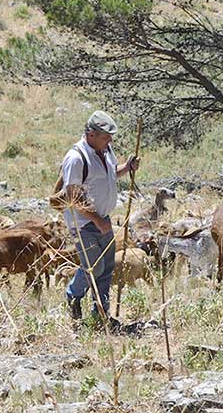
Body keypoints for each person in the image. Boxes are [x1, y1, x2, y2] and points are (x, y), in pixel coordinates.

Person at [62, 111, 139, 327]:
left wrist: (127, 167)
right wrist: (96, 219)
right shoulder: (76, 158)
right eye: (106, 136)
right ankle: (73, 295)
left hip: (102, 219)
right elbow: (73, 197)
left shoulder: (104, 150)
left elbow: (111, 173)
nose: (110, 141)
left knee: (105, 267)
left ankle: (100, 316)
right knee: (93, 267)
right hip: (84, 223)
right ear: (91, 134)